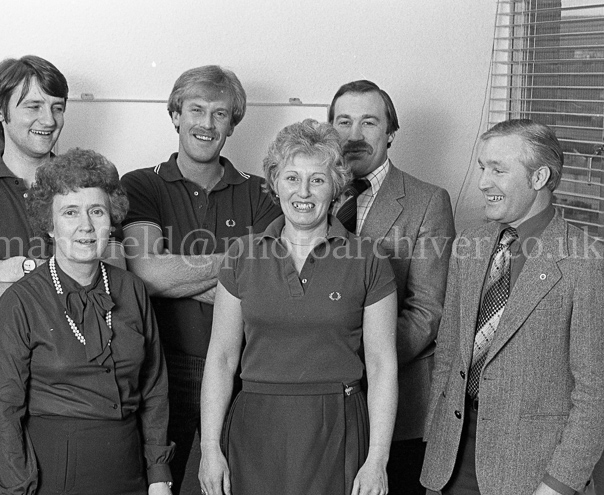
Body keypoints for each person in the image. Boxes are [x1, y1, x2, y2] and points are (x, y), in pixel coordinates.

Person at [0, 55, 123, 495]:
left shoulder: (91, 183)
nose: (49, 119)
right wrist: (66, 273)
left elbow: (113, 283)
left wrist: (16, 271)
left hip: (83, 380)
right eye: (34, 106)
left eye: (57, 107)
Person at [199, 119, 398, 495]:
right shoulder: (241, 255)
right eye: (292, 177)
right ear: (275, 182)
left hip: (337, 425)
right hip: (255, 428)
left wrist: (377, 460)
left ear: (335, 186)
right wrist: (210, 449)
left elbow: (381, 364)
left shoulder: (369, 259)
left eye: (317, 180)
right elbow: (222, 358)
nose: (303, 192)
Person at [420, 119, 604, 495]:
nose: (483, 182)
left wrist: (557, 486)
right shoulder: (468, 245)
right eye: (482, 168)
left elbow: (595, 394)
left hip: (533, 475)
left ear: (539, 177)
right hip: (449, 464)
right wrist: (434, 443)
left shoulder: (586, 261)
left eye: (498, 170)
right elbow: (449, 353)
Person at [120, 65, 281, 494]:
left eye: (219, 114)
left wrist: (179, 273)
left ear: (232, 124)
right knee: (155, 485)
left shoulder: (263, 193)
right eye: (196, 110)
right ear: (176, 115)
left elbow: (269, 288)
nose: (206, 124)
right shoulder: (140, 185)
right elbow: (147, 275)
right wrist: (241, 261)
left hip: (241, 370)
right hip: (160, 368)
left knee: (235, 485)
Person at [0, 148, 174, 495]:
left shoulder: (132, 290)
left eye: (96, 211)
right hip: (51, 474)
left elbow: (154, 388)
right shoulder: (20, 302)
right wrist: (18, 489)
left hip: (129, 470)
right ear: (50, 224)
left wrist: (159, 474)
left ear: (111, 219)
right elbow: (2, 414)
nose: (86, 226)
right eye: (70, 212)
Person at [329, 79, 455, 494]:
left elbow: (428, 309)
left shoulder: (427, 201)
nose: (354, 135)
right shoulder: (308, 193)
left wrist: (359, 362)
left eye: (368, 122)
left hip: (396, 405)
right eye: (343, 122)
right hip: (319, 400)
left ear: (390, 133)